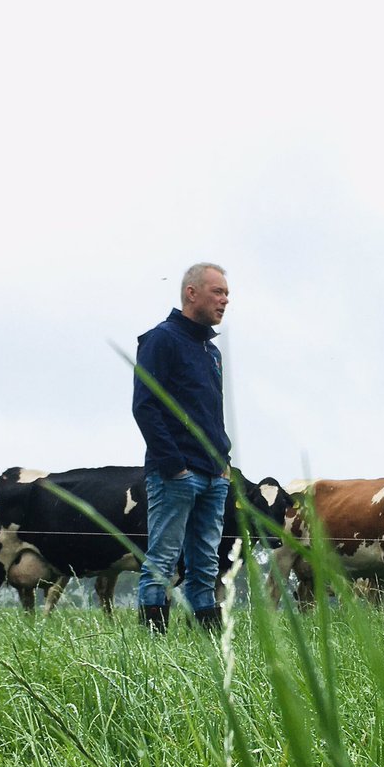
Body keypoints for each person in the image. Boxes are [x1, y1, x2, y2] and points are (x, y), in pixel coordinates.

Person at [132, 262, 232, 633]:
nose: (225, 300)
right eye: (217, 292)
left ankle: (209, 645)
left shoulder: (211, 351)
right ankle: (152, 649)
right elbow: (145, 406)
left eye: (226, 294)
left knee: (206, 564)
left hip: (213, 474)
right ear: (192, 293)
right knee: (162, 560)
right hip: (176, 473)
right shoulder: (161, 340)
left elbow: (213, 412)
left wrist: (224, 462)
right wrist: (174, 465)